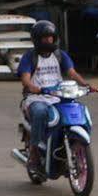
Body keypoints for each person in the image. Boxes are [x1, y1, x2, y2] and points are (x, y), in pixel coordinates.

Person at [16, 18, 90, 178]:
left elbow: (72, 73)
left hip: (57, 97)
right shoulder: (29, 57)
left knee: (77, 109)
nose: (49, 40)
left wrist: (86, 85)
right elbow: (25, 78)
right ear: (37, 39)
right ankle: (35, 153)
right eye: (45, 37)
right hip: (35, 98)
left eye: (51, 37)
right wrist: (33, 87)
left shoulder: (59, 55)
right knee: (41, 112)